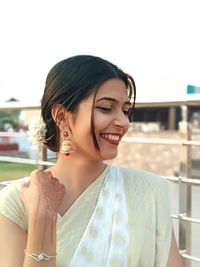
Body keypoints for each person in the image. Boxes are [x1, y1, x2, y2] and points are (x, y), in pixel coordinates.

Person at [0, 55, 183, 267]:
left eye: (125, 110)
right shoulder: (15, 203)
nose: (124, 122)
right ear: (61, 116)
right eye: (106, 108)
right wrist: (42, 218)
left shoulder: (148, 191)